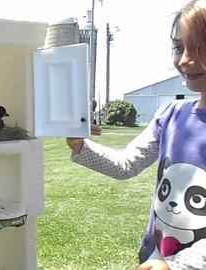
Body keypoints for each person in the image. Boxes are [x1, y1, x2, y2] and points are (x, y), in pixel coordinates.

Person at [66, 1, 206, 269]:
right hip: (156, 258)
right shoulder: (170, 115)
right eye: (179, 47)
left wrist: (177, 265)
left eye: (203, 47)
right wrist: (80, 146)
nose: (186, 59)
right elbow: (126, 165)